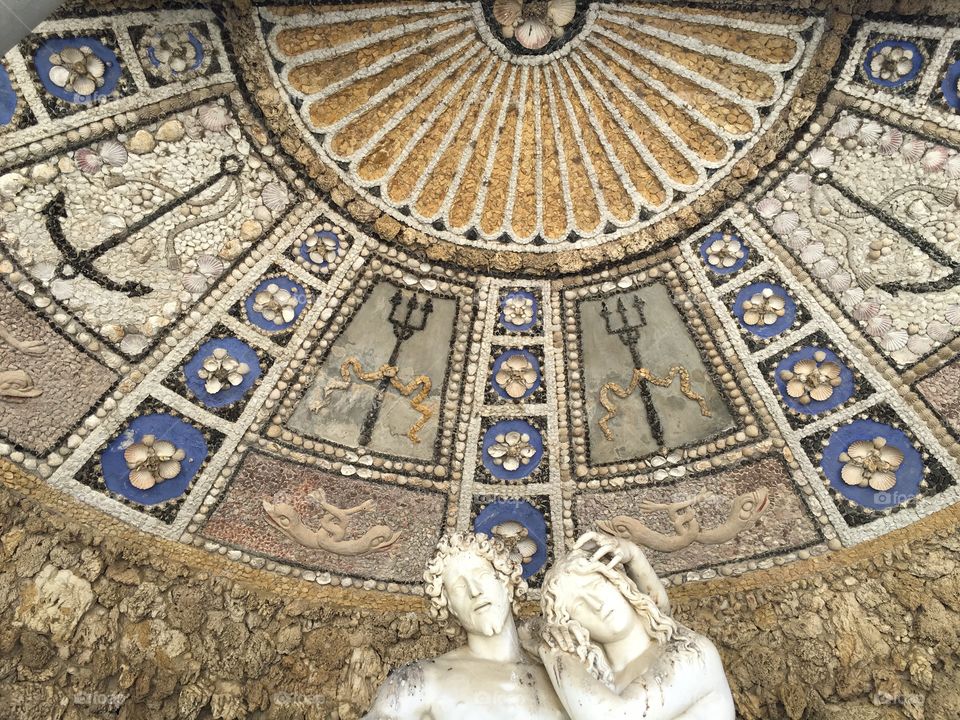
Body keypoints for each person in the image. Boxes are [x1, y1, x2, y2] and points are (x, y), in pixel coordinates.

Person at [362, 532, 567, 719]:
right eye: (459, 587)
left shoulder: (557, 672)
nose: (474, 591)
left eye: (482, 576)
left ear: (506, 583)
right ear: (450, 607)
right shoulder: (422, 682)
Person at [538, 532, 735, 720]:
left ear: (620, 584)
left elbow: (615, 717)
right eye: (579, 606)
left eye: (596, 587)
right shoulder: (595, 681)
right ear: (571, 625)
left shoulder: (692, 653)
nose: (596, 605)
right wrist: (545, 632)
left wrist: (554, 651)